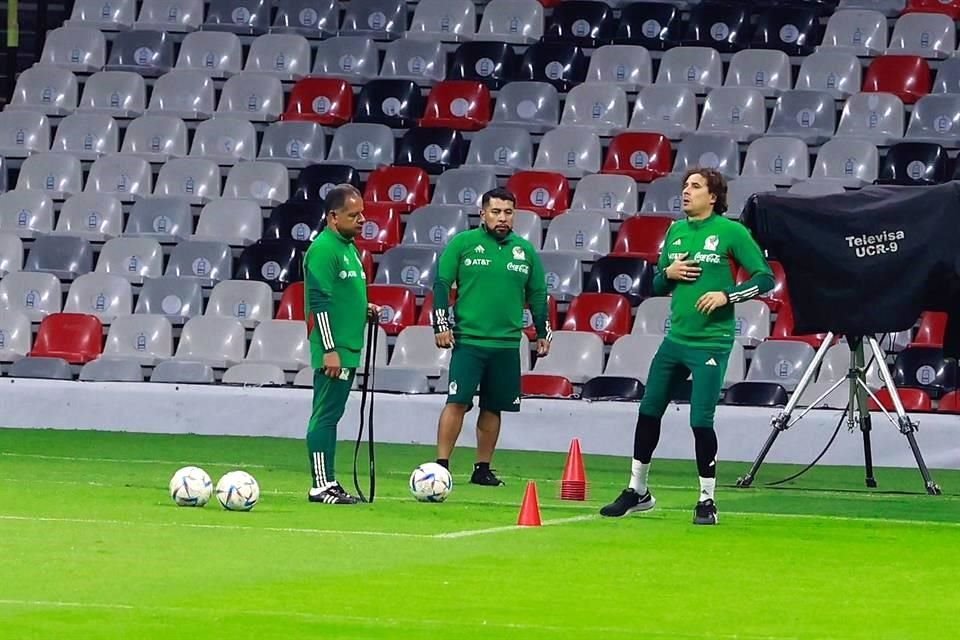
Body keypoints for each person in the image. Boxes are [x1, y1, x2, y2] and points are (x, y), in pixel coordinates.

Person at [600, 168, 775, 525]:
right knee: (648, 410)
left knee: (700, 420)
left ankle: (707, 500)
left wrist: (727, 295)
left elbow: (765, 279)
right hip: (675, 340)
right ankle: (638, 490)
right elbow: (657, 286)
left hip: (711, 342)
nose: (686, 192)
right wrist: (669, 274)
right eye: (685, 186)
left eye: (695, 186)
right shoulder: (676, 231)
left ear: (713, 196)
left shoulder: (732, 232)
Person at [432, 187, 551, 486]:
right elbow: (442, 283)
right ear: (482, 213)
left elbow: (538, 294)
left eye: (508, 212)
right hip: (469, 341)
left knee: (493, 406)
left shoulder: (525, 251)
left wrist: (542, 332)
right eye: (496, 211)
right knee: (457, 401)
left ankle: (482, 468)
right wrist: (440, 324)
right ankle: (441, 465)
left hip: (507, 344)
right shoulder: (463, 243)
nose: (502, 218)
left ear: (515, 215)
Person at [303, 184, 380, 505]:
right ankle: (321, 484)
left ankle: (328, 481)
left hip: (347, 347)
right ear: (333, 217)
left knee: (331, 415)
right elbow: (319, 302)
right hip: (334, 350)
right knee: (325, 415)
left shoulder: (348, 248)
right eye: (354, 215)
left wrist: (365, 310)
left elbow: (341, 297)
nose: (362, 220)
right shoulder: (324, 249)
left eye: (362, 213)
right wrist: (329, 350)